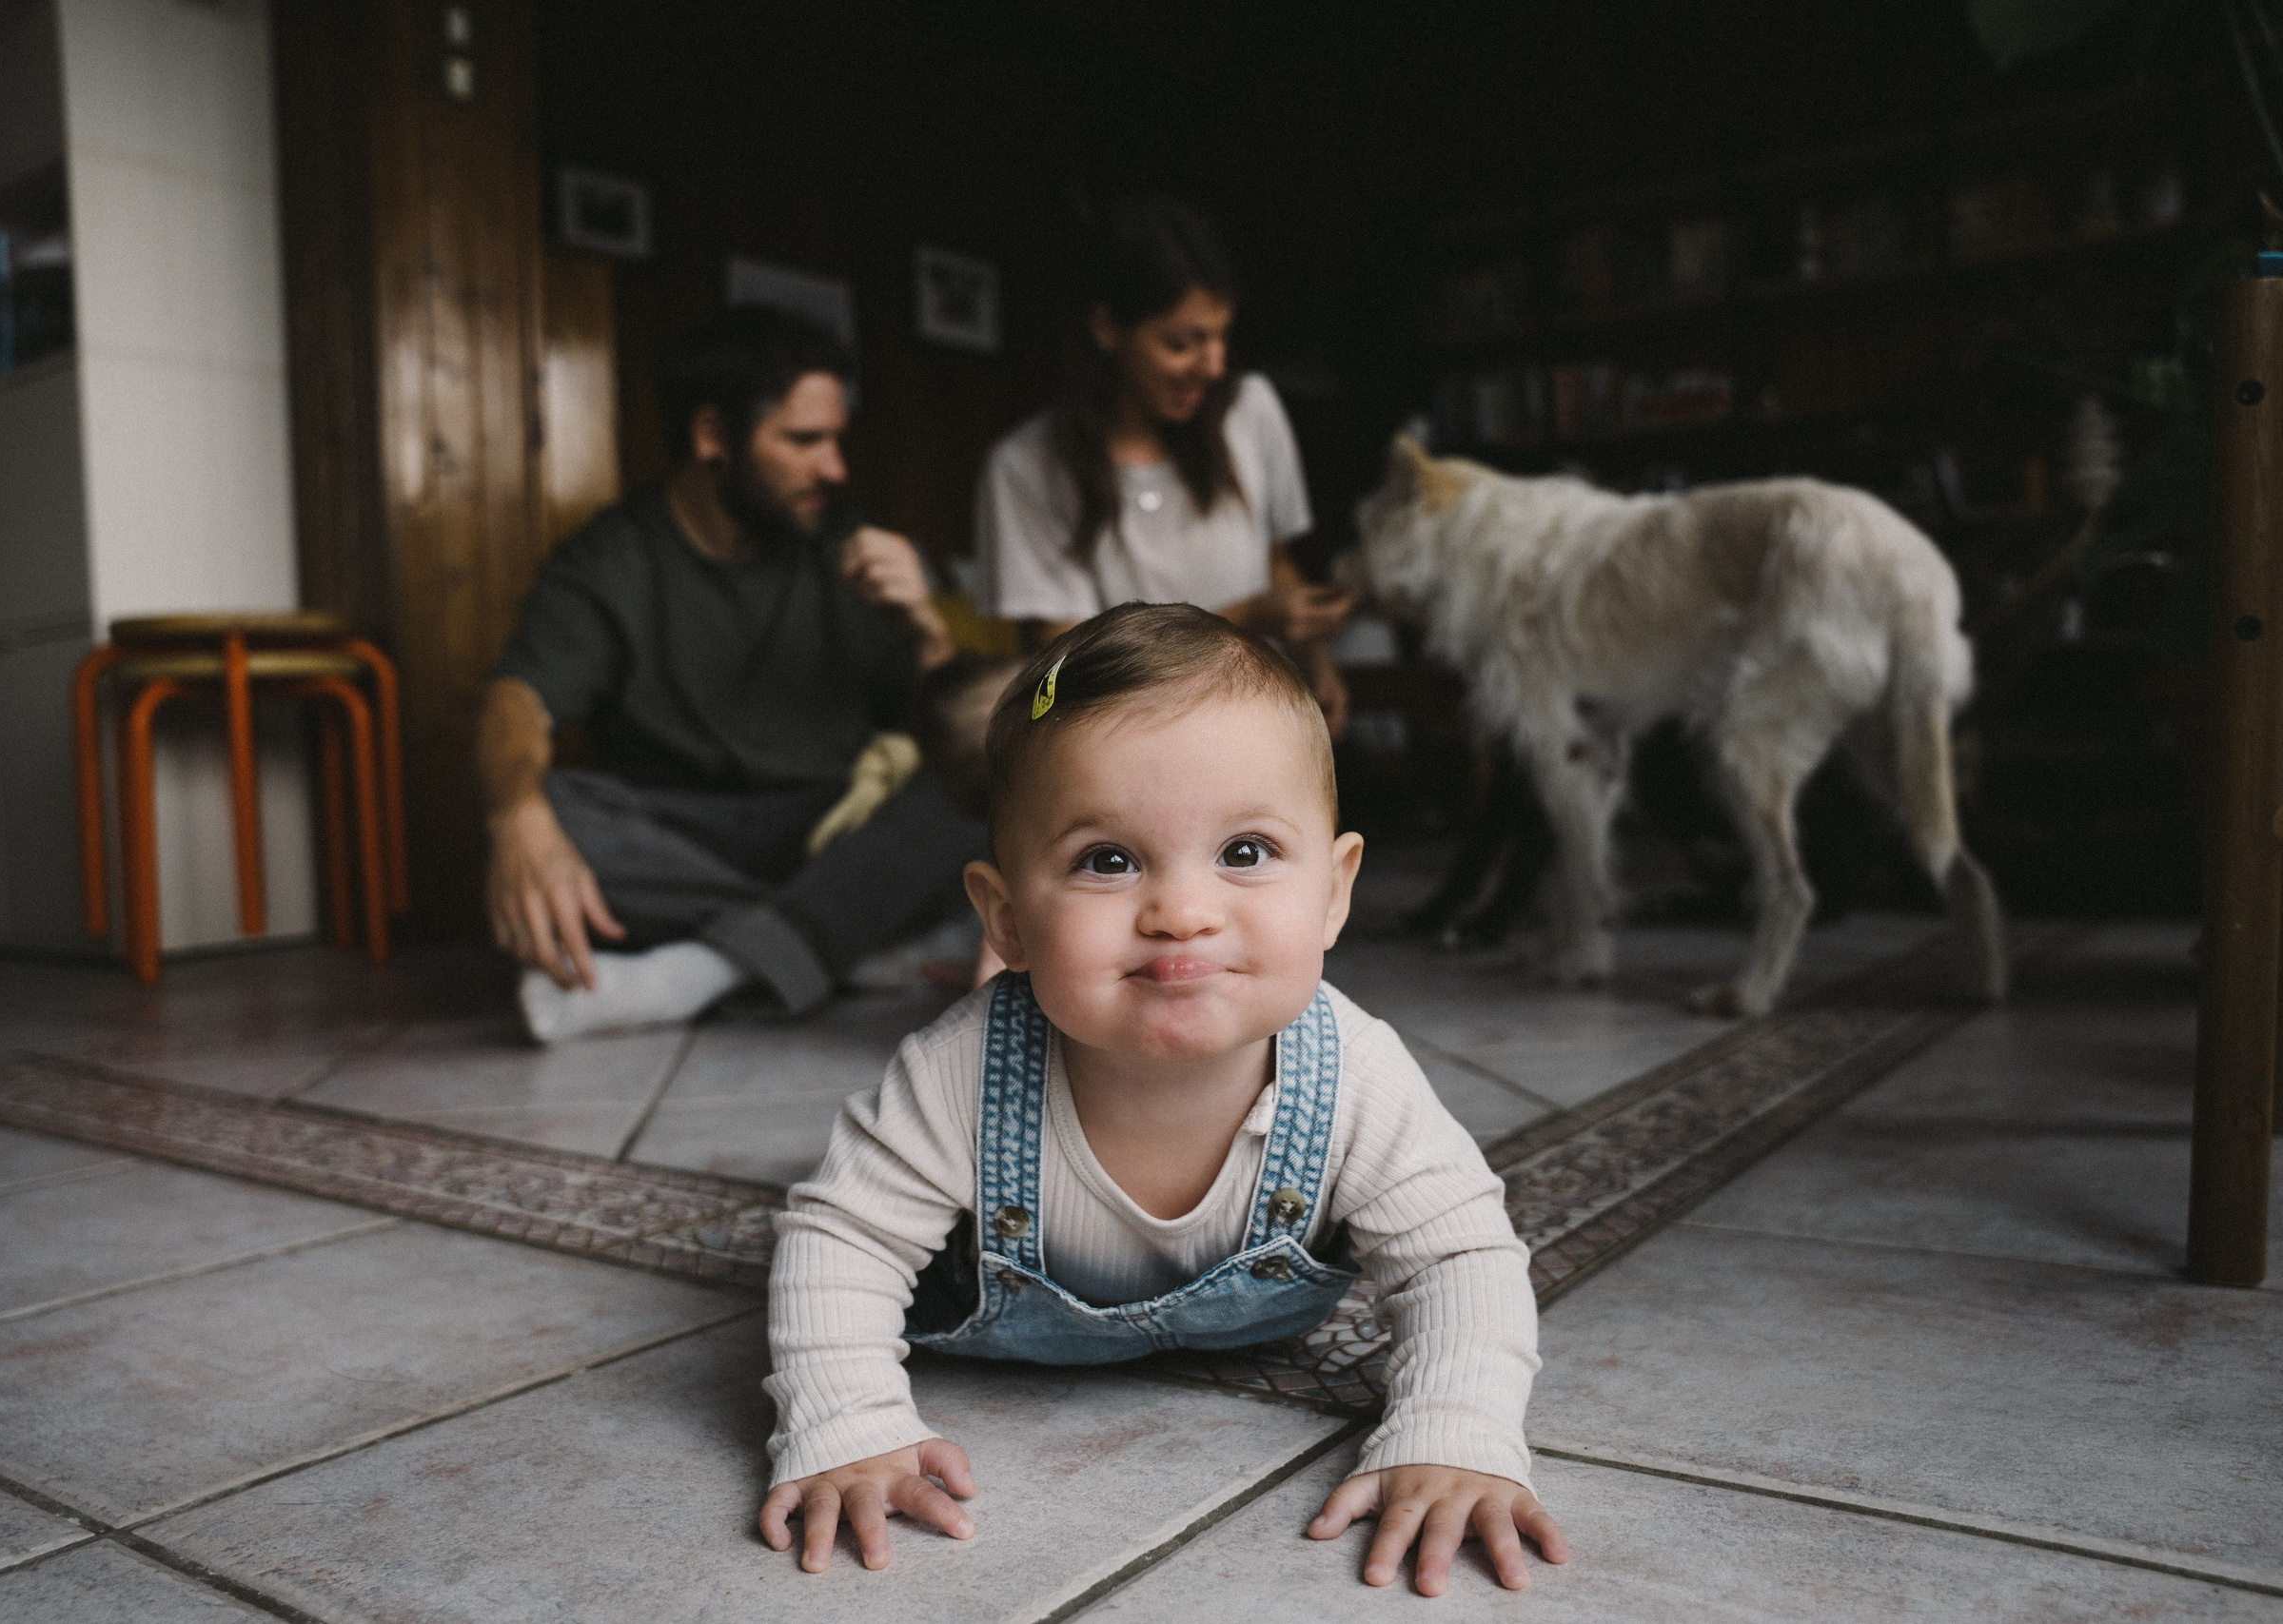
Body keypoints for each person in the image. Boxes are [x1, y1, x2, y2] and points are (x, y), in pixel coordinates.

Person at [758, 604, 1567, 1597]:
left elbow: (1461, 1255)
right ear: (1006, 918)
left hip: (1251, 1317)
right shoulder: (959, 1069)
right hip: (995, 1319)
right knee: (866, 1197)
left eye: (1245, 852)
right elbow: (842, 1238)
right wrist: (845, 1422)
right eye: (1109, 860)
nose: (1182, 912)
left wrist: (1456, 1427)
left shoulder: (1355, 1072)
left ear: (1333, 890)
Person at [480, 306, 985, 1043]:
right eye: (804, 440)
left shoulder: (854, 549)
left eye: (837, 440)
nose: (835, 468)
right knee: (550, 809)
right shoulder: (609, 559)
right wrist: (516, 816)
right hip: (683, 834)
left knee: (993, 766)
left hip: (834, 820)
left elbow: (952, 744)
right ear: (713, 436)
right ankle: (848, 938)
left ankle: (698, 971)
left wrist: (927, 630)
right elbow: (515, 701)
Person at [973, 195, 1357, 735]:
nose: (1215, 366)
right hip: (1131, 746)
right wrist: (1249, 616)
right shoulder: (1025, 469)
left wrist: (1312, 652)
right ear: (1107, 327)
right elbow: (1066, 668)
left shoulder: (1251, 409)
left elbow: (1275, 561)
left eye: (1222, 335)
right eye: (1183, 343)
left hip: (1261, 720)